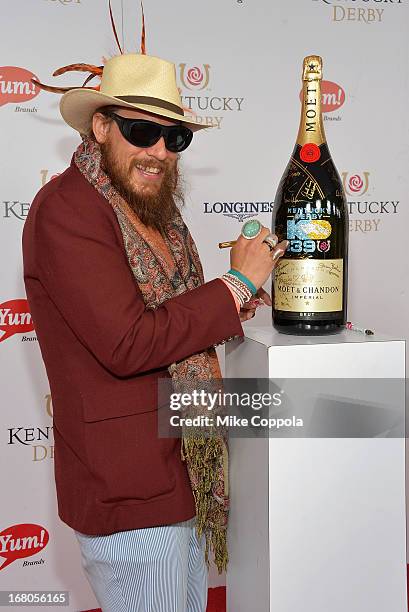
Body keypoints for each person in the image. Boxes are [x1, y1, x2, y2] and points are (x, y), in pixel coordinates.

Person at [22, 52, 287, 612]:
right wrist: (236, 285)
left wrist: (236, 295)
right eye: (142, 130)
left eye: (174, 139)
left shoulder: (152, 210)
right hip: (126, 488)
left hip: (183, 471)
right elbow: (127, 342)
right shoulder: (68, 209)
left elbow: (173, 314)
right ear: (100, 125)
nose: (159, 152)